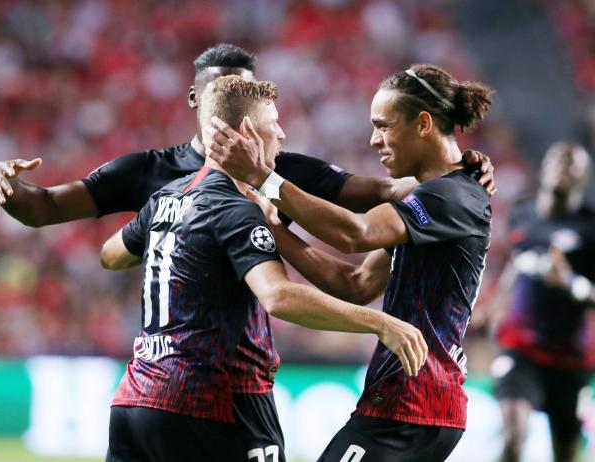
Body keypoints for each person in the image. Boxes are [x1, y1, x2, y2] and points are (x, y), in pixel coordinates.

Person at [0, 43, 496, 459]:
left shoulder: (210, 185)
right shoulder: (164, 173)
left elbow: (387, 204)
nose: (373, 139)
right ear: (204, 104)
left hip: (143, 392)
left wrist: (462, 172)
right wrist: (1, 182)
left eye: (383, 127)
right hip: (222, 398)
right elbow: (323, 286)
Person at [99, 75, 428, 462]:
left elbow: (111, 255)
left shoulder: (166, 197)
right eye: (274, 125)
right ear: (247, 132)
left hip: (135, 400)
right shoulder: (235, 208)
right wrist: (379, 323)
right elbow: (278, 296)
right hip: (217, 402)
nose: (283, 134)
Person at [206, 64, 493, 461]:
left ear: (424, 124)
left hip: (412, 406)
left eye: (383, 125)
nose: (374, 139)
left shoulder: (450, 197)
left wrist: (262, 177)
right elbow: (356, 283)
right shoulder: (433, 200)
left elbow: (355, 233)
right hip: (410, 403)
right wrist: (274, 228)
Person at [479, 142, 595, 462]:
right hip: (521, 350)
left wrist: (572, 284)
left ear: (584, 177)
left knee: (566, 454)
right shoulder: (521, 212)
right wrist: (494, 304)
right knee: (514, 438)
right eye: (558, 160)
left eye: (573, 165)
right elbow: (517, 262)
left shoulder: (590, 228)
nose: (563, 168)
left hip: (570, 359)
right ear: (545, 166)